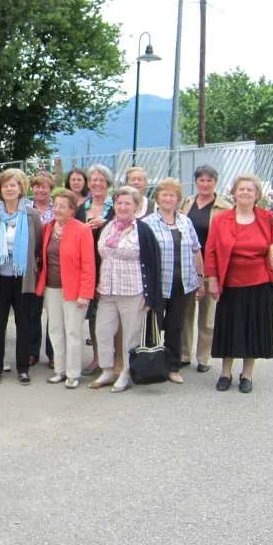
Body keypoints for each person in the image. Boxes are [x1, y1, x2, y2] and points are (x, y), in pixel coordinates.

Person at [205, 174, 273, 393]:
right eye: (241, 189)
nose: (245, 192)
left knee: (253, 329)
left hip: (259, 283)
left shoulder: (267, 218)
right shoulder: (221, 220)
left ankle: (247, 374)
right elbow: (211, 250)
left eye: (249, 190)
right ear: (234, 193)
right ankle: (225, 373)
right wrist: (212, 279)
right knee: (229, 328)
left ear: (257, 195)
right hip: (230, 283)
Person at [89, 186, 162, 393]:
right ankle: (107, 370)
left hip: (132, 290)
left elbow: (153, 263)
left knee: (130, 335)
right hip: (107, 289)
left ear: (136, 206)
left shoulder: (143, 230)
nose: (122, 207)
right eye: (119, 203)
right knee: (102, 331)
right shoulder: (107, 227)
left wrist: (150, 295)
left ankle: (126, 372)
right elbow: (98, 257)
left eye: (127, 203)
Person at [0, 168, 43, 385]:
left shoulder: (32, 215)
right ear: (0, 189)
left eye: (13, 185)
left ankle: (23, 368)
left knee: (23, 324)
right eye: (5, 185)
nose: (9, 189)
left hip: (23, 277)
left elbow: (38, 244)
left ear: (20, 188)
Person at [143, 178, 204, 384]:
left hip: (183, 284)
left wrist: (201, 278)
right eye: (164, 195)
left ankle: (173, 367)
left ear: (178, 199)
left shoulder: (186, 222)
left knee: (175, 326)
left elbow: (196, 250)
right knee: (153, 325)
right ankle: (152, 366)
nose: (168, 199)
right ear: (157, 198)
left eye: (172, 195)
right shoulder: (148, 223)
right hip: (158, 285)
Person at [35, 190, 95, 389]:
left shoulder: (82, 230)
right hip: (51, 287)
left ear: (72, 209)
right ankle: (59, 370)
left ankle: (73, 373)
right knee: (55, 330)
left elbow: (89, 265)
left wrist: (85, 294)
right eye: (55, 205)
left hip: (74, 291)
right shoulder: (48, 228)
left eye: (62, 206)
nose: (57, 209)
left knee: (73, 332)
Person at [179, 165, 230, 371]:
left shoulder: (224, 208)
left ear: (215, 183)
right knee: (185, 313)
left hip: (211, 266)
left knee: (207, 316)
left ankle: (203, 357)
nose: (205, 184)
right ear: (196, 182)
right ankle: (184, 354)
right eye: (201, 180)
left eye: (209, 180)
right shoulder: (187, 203)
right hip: (187, 265)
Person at [77, 163, 114, 375]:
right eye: (93, 180)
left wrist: (106, 223)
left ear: (107, 183)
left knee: (110, 316)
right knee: (94, 315)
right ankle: (98, 358)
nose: (97, 183)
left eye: (101, 180)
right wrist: (84, 228)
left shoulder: (116, 206)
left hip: (110, 268)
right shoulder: (82, 208)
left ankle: (114, 360)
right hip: (88, 268)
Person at [28, 174, 55, 368]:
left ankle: (53, 353)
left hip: (53, 263)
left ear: (50, 189)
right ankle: (32, 351)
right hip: (32, 264)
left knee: (53, 311)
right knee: (33, 310)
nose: (40, 190)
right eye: (37, 187)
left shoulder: (57, 207)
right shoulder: (26, 208)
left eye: (44, 187)